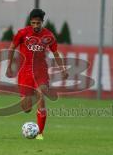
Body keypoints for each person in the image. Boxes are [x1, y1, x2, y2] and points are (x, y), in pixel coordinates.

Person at [6, 8, 68, 140]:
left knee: (41, 95)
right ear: (30, 22)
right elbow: (11, 47)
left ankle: (40, 133)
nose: (36, 26)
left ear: (42, 22)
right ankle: (32, 97)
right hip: (25, 71)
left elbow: (56, 53)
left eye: (38, 23)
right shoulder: (22, 33)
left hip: (41, 71)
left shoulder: (49, 36)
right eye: (33, 23)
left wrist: (62, 69)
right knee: (26, 108)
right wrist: (9, 66)